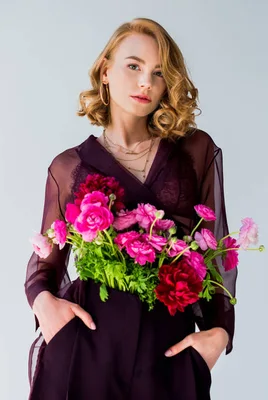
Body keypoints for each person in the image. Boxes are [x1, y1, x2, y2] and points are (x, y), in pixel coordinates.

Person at [24, 17, 237, 400]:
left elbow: (216, 251)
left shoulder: (195, 151)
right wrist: (46, 309)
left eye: (158, 74)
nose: (146, 83)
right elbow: (45, 264)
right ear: (106, 71)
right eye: (134, 66)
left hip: (167, 353)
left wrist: (219, 332)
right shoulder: (68, 167)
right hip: (87, 351)